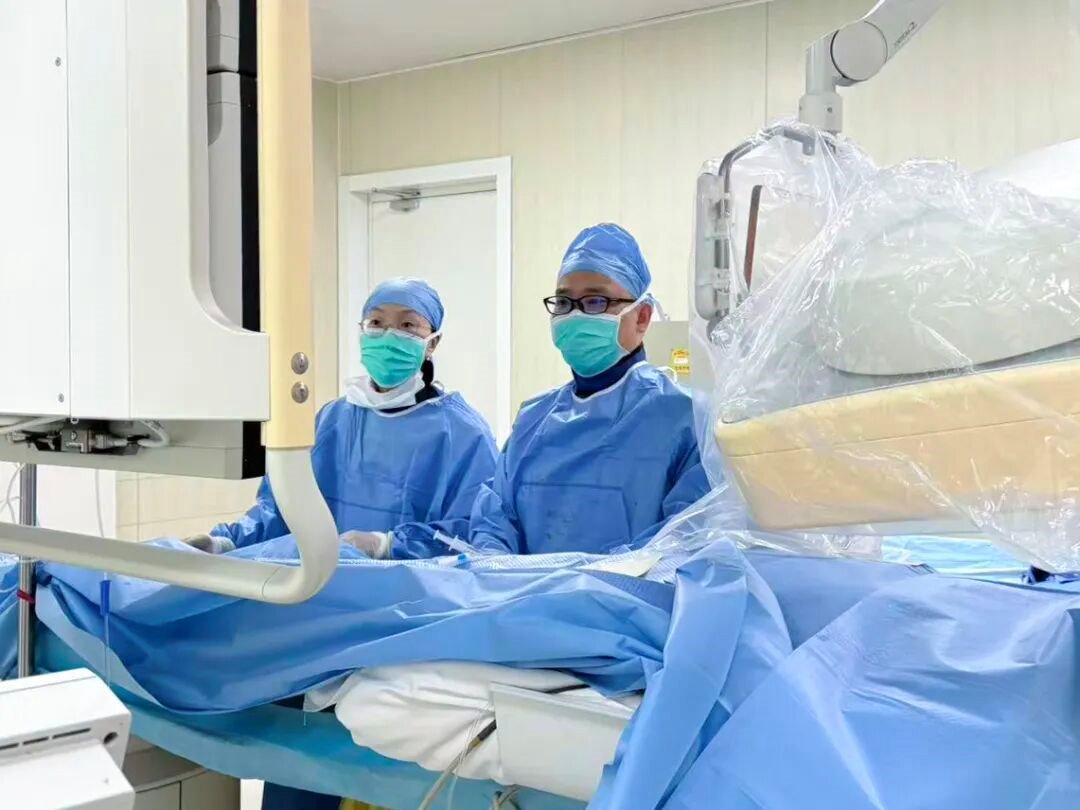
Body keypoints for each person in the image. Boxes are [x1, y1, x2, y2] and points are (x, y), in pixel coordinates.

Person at [184, 277, 498, 561]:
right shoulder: (331, 421)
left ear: (432, 343)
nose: (388, 335)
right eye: (376, 322)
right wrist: (224, 543)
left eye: (407, 325)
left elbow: (475, 532)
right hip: (321, 588)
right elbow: (283, 508)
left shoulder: (464, 434)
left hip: (410, 596)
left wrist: (387, 545)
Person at [465, 223, 710, 556]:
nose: (575, 316)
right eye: (564, 302)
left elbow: (685, 542)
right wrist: (502, 571)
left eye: (595, 301)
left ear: (642, 317)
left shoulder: (685, 419)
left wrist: (589, 582)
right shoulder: (532, 421)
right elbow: (494, 523)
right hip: (526, 591)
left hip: (630, 592)